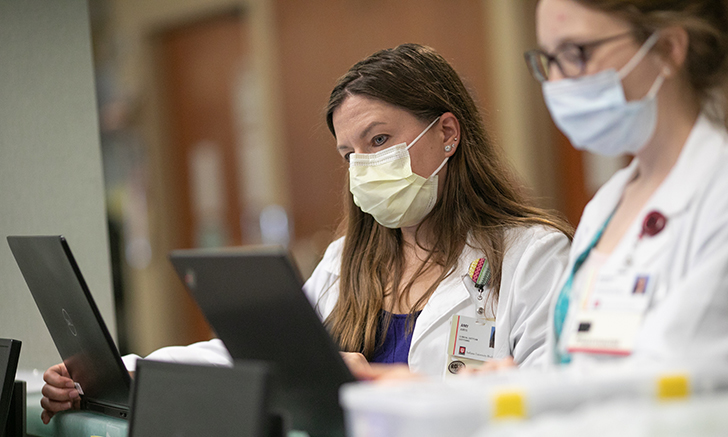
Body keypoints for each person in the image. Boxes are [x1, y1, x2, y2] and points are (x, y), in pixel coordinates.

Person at [39, 43, 573, 423]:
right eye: (350, 154)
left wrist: (392, 388)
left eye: (380, 139)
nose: (363, 165)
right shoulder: (348, 260)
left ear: (448, 133)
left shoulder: (531, 255)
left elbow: (555, 402)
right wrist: (120, 372)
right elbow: (252, 356)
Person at [525, 0, 728, 383]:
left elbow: (680, 385)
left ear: (667, 49)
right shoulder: (606, 206)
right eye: (549, 60)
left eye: (577, 53)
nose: (557, 83)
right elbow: (573, 368)